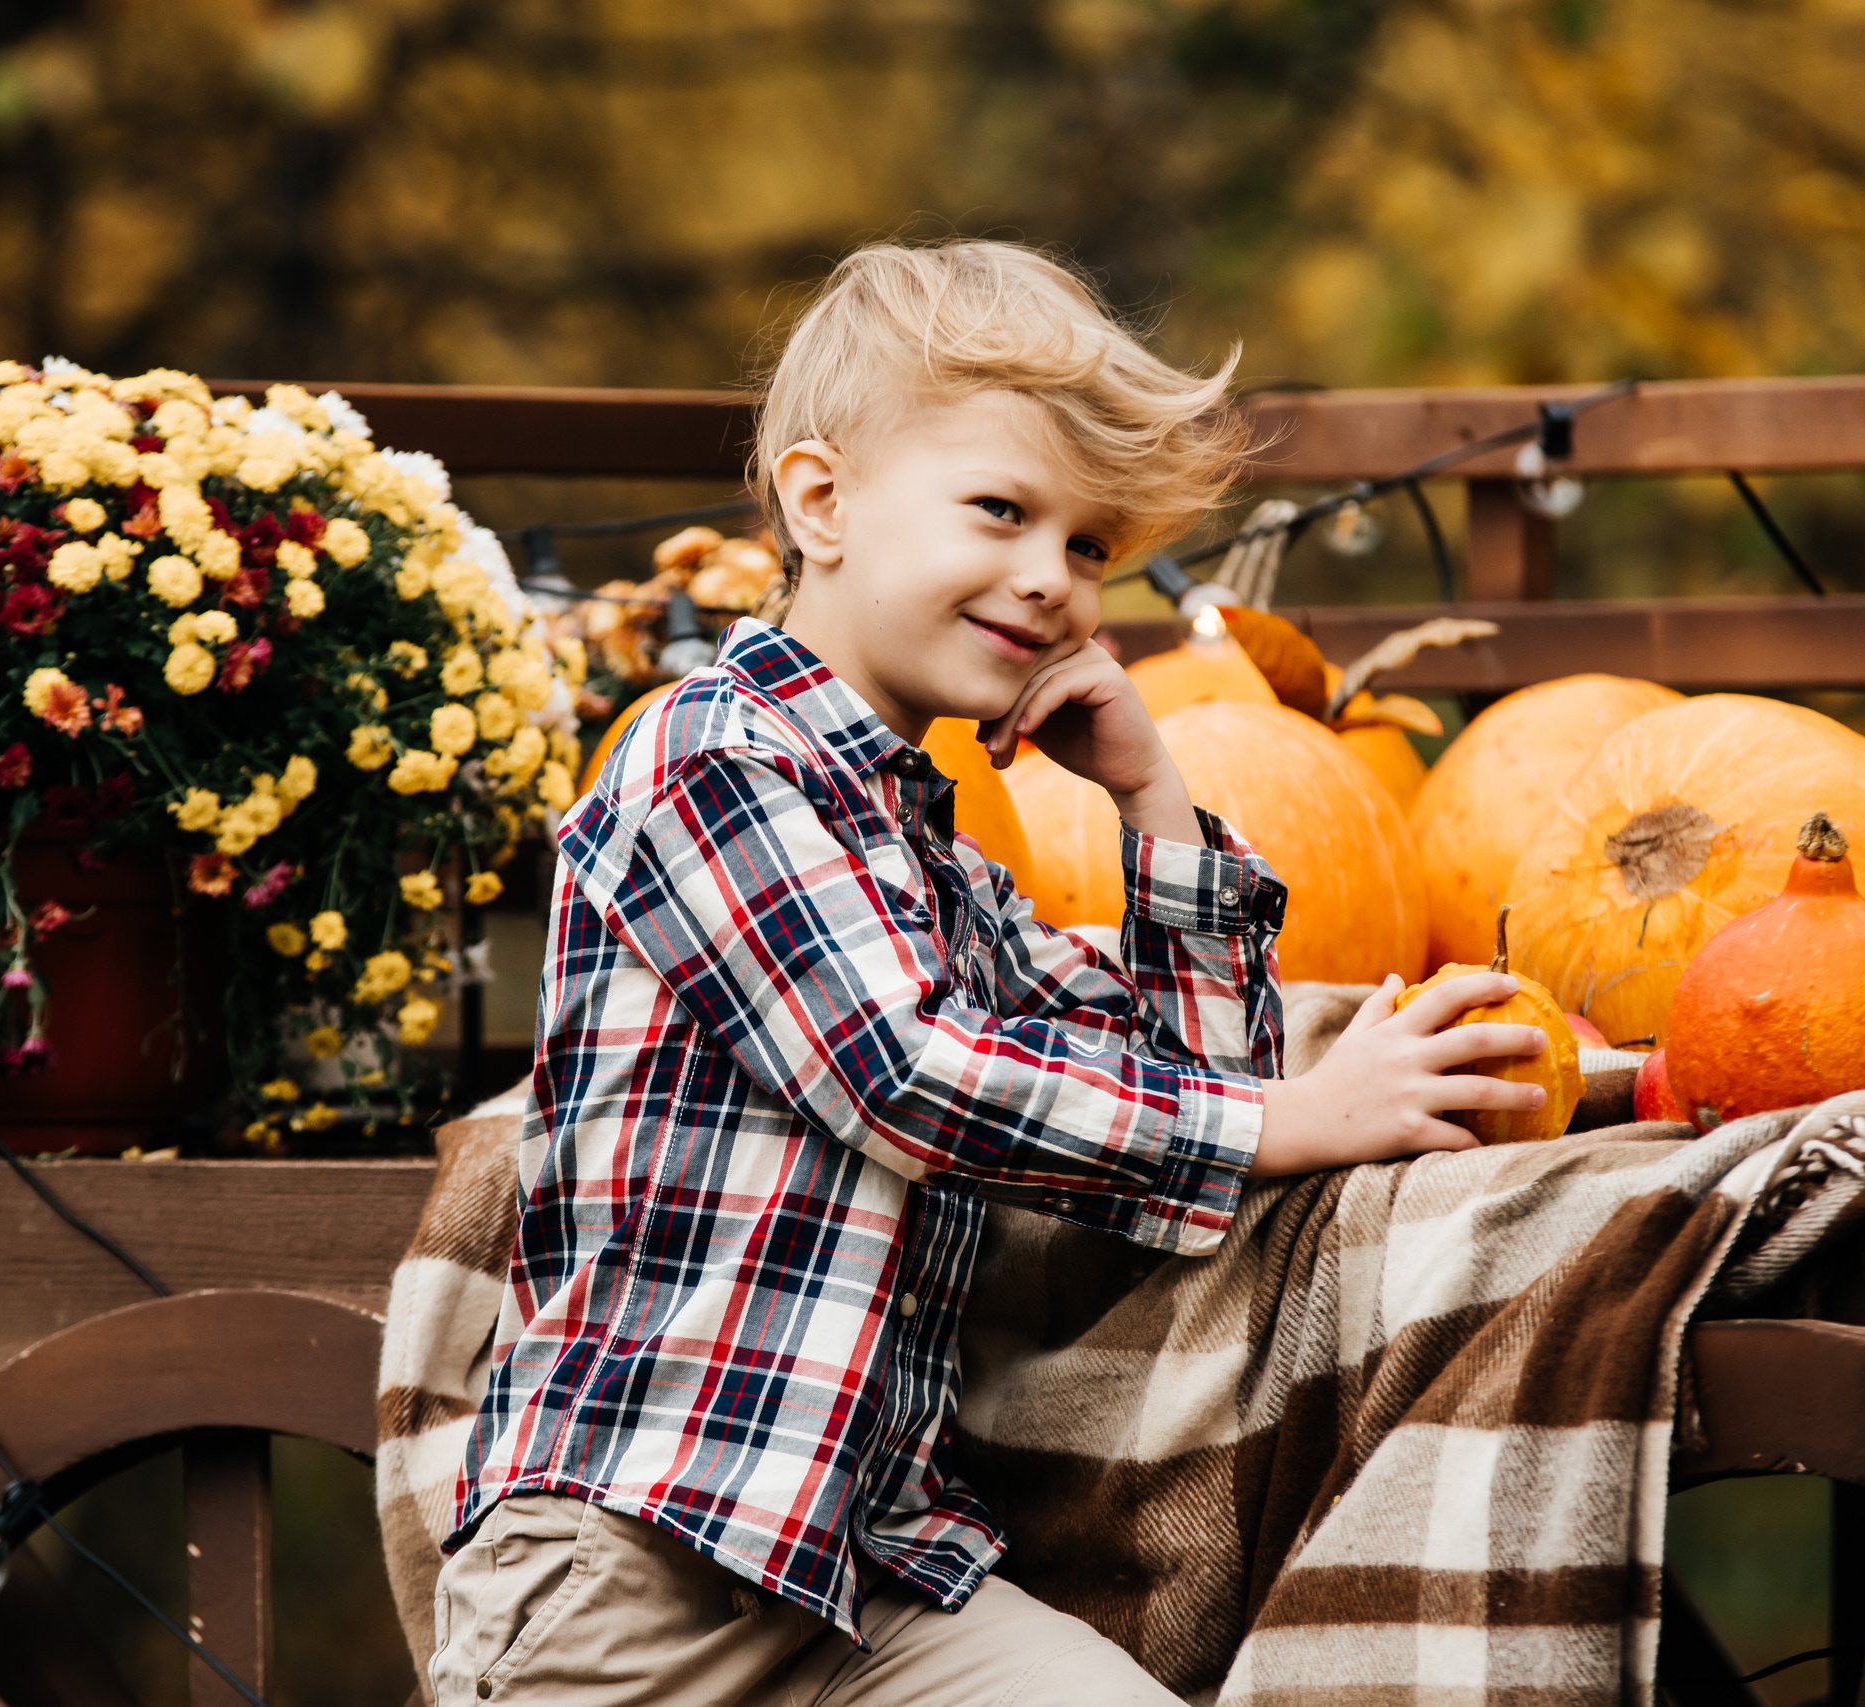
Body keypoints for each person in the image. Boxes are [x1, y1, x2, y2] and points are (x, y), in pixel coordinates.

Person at [429, 239, 1548, 1706]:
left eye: (1089, 549)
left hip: (862, 1582)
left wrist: (1149, 796)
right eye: (1004, 511)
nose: (1051, 582)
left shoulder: (936, 860)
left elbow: (1189, 1082)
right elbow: (905, 1075)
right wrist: (1293, 1122)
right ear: (822, 503)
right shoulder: (709, 758)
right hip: (634, 1566)